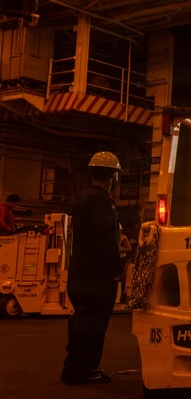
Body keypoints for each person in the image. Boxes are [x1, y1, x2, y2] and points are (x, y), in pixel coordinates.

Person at [61, 152, 125, 385]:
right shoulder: (100, 201)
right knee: (93, 324)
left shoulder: (84, 198)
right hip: (96, 277)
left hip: (81, 272)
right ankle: (82, 371)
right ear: (113, 176)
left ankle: (74, 368)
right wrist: (117, 267)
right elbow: (104, 237)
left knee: (82, 322)